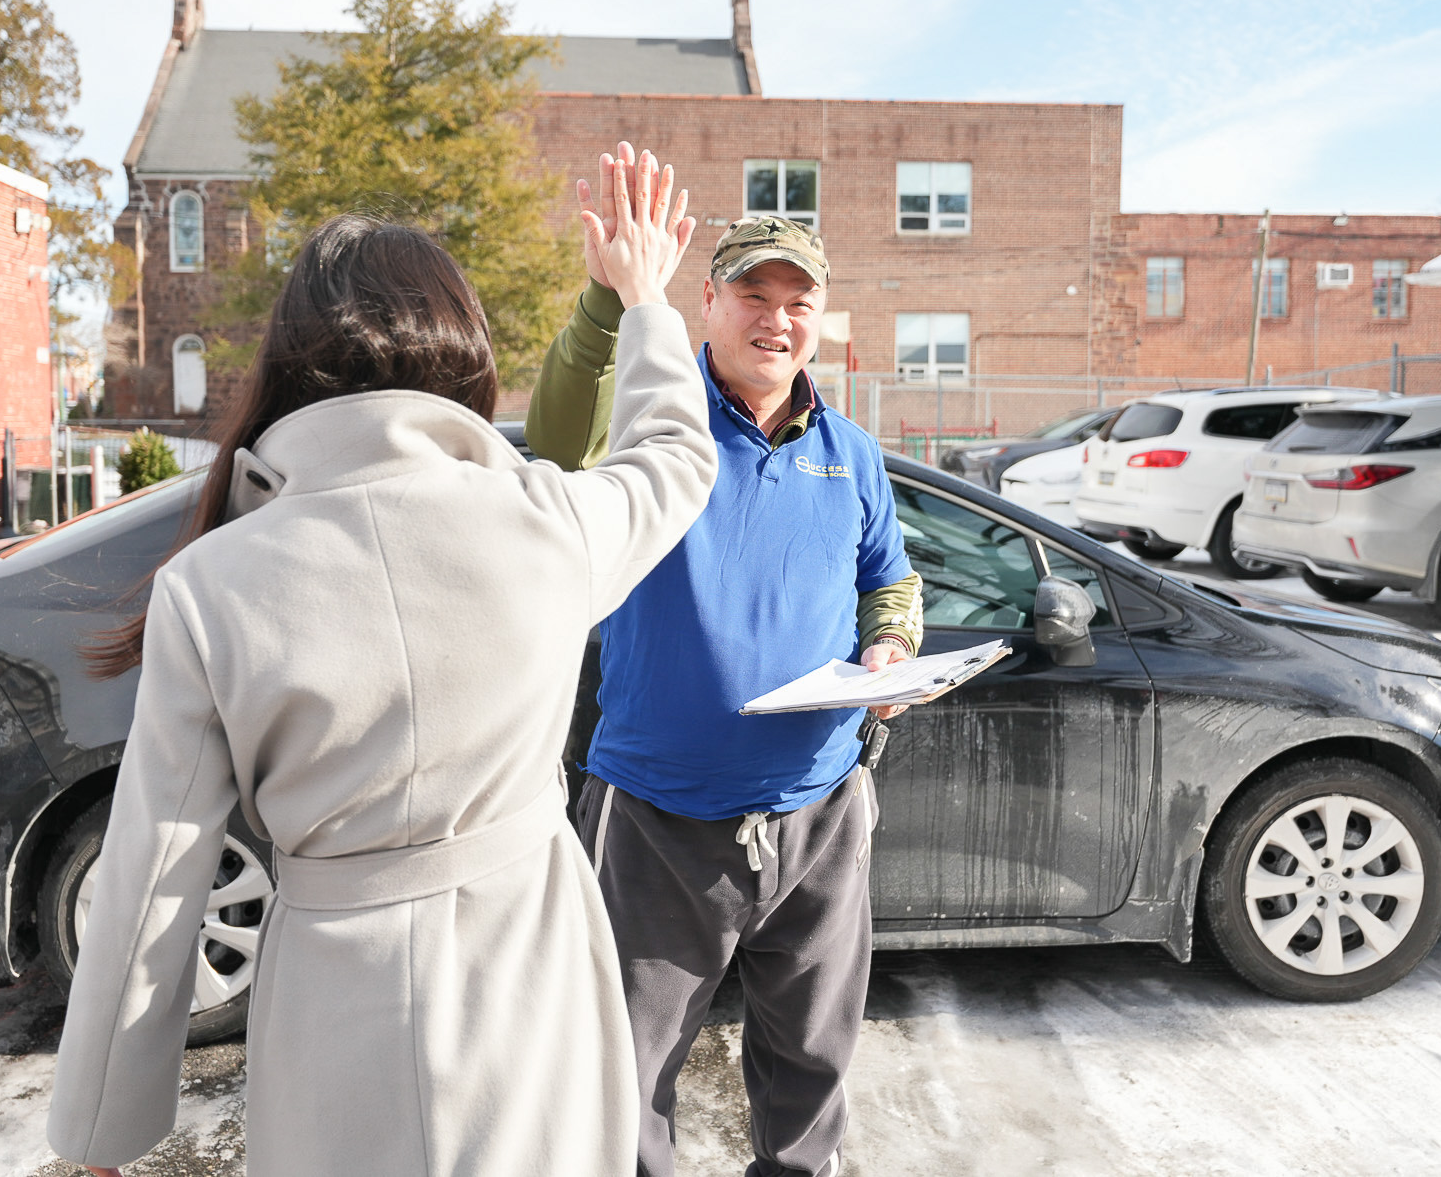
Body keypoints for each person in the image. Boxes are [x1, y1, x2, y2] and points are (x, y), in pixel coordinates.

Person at [48, 161, 716, 1177]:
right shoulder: (547, 522)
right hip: (532, 973)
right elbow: (674, 454)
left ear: (286, 367)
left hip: (331, 991)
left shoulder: (209, 583)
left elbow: (151, 879)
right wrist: (643, 299)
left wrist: (103, 1128)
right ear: (462, 350)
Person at [528, 145, 924, 1177]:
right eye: (754, 291)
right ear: (706, 301)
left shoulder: (854, 452)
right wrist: (614, 296)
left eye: (798, 299)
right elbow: (556, 434)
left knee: (811, 1067)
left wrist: (890, 644)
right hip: (658, 818)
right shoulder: (656, 423)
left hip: (820, 811)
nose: (776, 317)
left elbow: (890, 578)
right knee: (625, 1070)